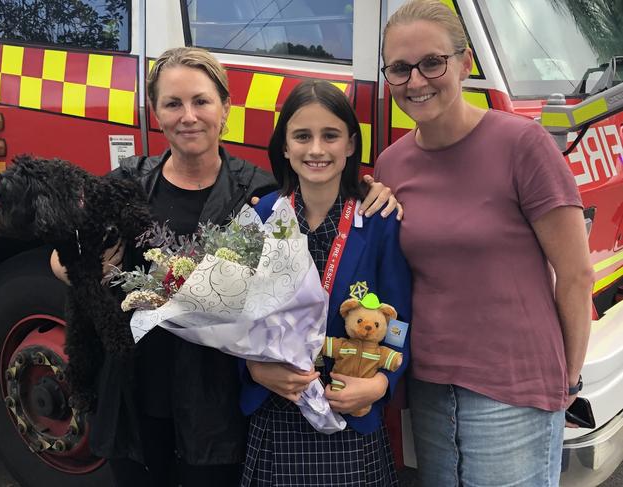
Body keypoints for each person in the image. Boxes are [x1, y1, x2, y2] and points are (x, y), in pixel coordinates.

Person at [51, 48, 399, 487]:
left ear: (225, 108)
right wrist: (79, 266)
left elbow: (316, 192)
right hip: (136, 392)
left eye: (201, 101)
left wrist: (368, 187)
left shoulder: (259, 195)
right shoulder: (126, 185)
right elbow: (64, 250)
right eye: (173, 104)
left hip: (215, 403)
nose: (188, 116)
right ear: (155, 113)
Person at [375, 1, 594, 486]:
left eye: (433, 62)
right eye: (400, 68)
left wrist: (568, 380)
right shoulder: (391, 165)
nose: (416, 81)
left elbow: (576, 275)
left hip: (514, 392)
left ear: (465, 62)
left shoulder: (523, 145)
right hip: (430, 388)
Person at [240, 80, 412, 487]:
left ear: (351, 145)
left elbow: (401, 318)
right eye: (302, 136)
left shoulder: (379, 222)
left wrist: (380, 384)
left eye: (330, 136)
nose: (316, 149)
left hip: (349, 406)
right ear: (284, 147)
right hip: (278, 407)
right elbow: (234, 312)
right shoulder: (264, 215)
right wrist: (252, 368)